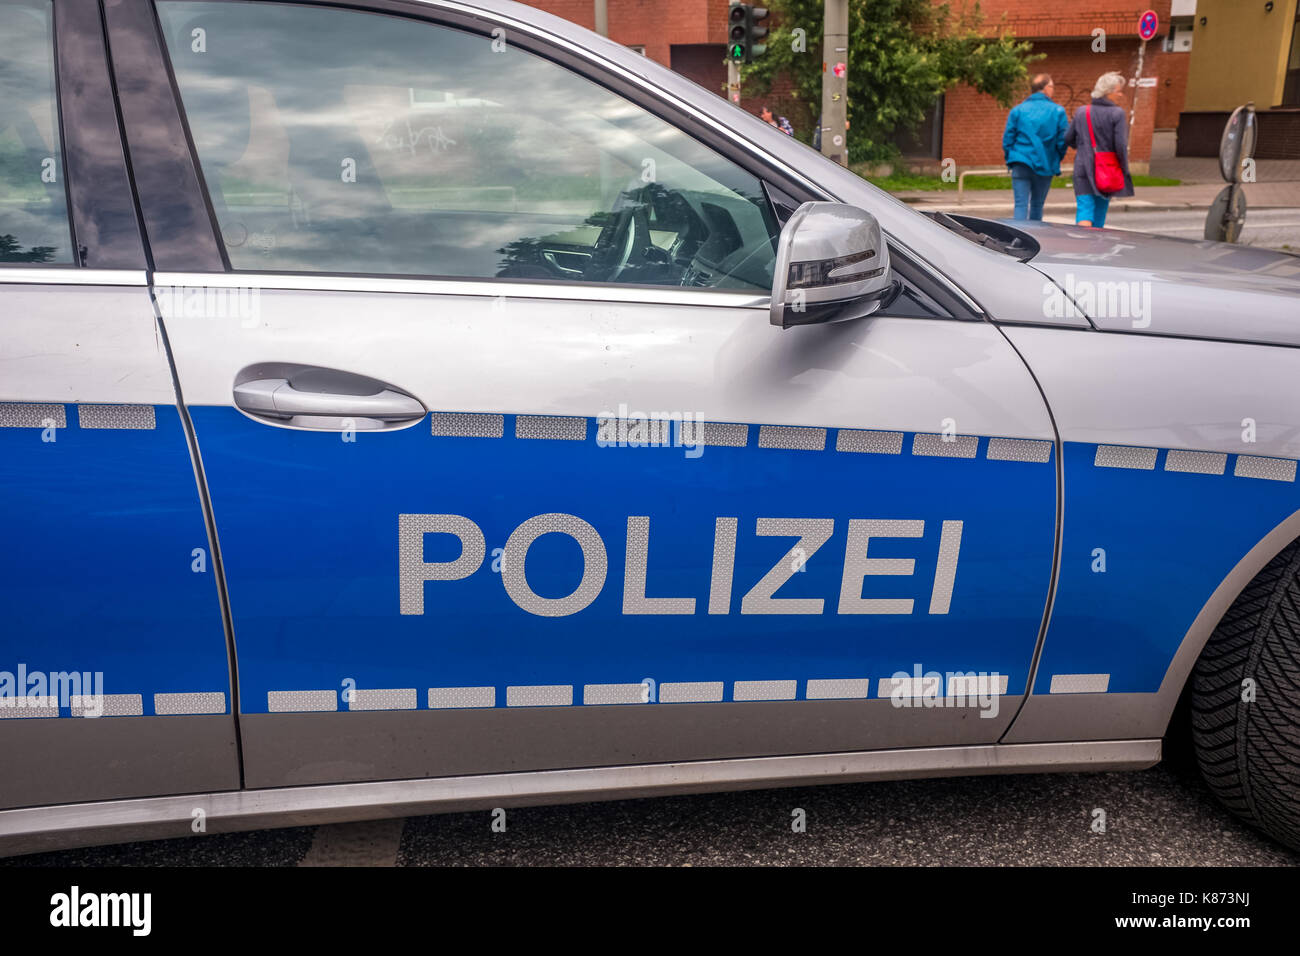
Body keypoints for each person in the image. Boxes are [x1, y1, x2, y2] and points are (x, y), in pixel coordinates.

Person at [1063, 71, 1134, 227]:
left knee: (1084, 209)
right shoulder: (1117, 113)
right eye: (1118, 91)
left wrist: (1081, 147)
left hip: (1082, 167)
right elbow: (1120, 145)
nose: (1121, 95)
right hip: (1107, 168)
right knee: (1100, 212)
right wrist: (1123, 168)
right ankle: (1095, 247)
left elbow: (1068, 138)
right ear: (1107, 92)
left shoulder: (1082, 111)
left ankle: (1082, 245)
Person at [1001, 73, 1067, 221]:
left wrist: (1011, 158)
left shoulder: (1017, 110)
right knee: (1037, 205)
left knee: (1020, 205)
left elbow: (1007, 140)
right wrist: (1056, 158)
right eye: (1052, 86)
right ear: (1045, 88)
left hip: (1020, 161)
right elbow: (1062, 140)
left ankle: (1018, 240)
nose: (1053, 90)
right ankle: (1035, 237)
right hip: (1045, 162)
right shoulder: (1058, 111)